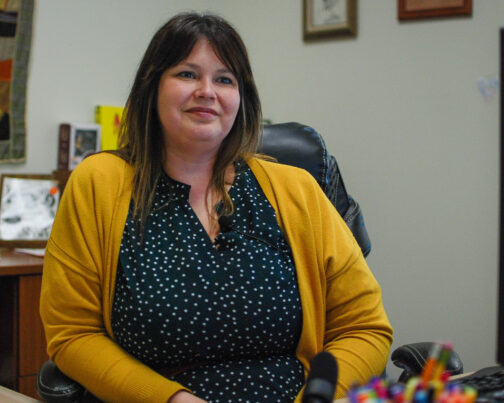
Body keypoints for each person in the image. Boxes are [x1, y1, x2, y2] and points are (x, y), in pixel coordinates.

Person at [40, 12, 392, 403]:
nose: (207, 90)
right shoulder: (99, 183)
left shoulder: (297, 190)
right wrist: (169, 399)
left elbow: (365, 328)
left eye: (224, 79)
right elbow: (72, 333)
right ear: (152, 87)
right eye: (187, 74)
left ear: (241, 99)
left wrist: (319, 398)